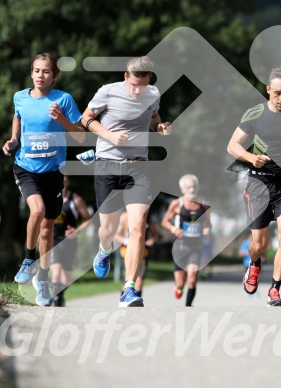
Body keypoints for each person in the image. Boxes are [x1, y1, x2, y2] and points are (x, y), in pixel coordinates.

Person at [80, 56, 171, 307]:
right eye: (133, 85)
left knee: (138, 226)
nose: (137, 91)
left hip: (138, 165)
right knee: (108, 229)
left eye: (141, 86)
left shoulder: (153, 93)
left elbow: (153, 117)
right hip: (107, 164)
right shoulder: (107, 92)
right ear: (125, 77)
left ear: (149, 81)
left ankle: (129, 289)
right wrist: (110, 136)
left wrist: (159, 126)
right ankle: (105, 248)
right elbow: (86, 119)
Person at [227, 66, 281, 306]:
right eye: (277, 93)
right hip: (258, 182)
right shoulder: (254, 114)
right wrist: (250, 157)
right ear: (268, 90)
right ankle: (254, 263)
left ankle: (275, 289)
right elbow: (232, 145)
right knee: (260, 244)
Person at [2, 52, 84, 307]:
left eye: (46, 71)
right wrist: (14, 140)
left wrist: (62, 120)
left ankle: (44, 278)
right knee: (36, 210)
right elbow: (18, 117)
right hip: (26, 167)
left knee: (47, 228)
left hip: (53, 172)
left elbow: (81, 136)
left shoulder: (63, 100)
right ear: (31, 73)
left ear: (55, 76)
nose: (41, 75)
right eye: (37, 70)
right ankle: (28, 260)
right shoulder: (20, 97)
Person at [161, 174, 211, 307]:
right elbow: (164, 221)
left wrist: (207, 229)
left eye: (194, 186)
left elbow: (207, 224)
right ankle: (178, 287)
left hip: (196, 246)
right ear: (182, 190)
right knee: (180, 283)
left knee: (192, 278)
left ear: (198, 187)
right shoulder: (177, 204)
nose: (191, 189)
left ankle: (188, 307)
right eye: (188, 187)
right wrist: (174, 230)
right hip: (180, 246)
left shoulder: (204, 205)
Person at [50, 175, 91, 307]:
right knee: (55, 272)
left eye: (65, 180)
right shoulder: (50, 198)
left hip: (69, 241)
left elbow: (88, 219)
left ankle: (59, 296)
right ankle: (56, 300)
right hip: (54, 240)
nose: (62, 182)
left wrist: (77, 231)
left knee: (66, 278)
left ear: (68, 182)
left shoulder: (76, 200)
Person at [114, 209, 159, 297]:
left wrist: (152, 240)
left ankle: (136, 306)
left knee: (138, 282)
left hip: (143, 254)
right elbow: (115, 235)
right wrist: (125, 240)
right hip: (126, 253)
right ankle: (124, 299)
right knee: (127, 283)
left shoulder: (148, 217)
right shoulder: (125, 216)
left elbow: (155, 234)